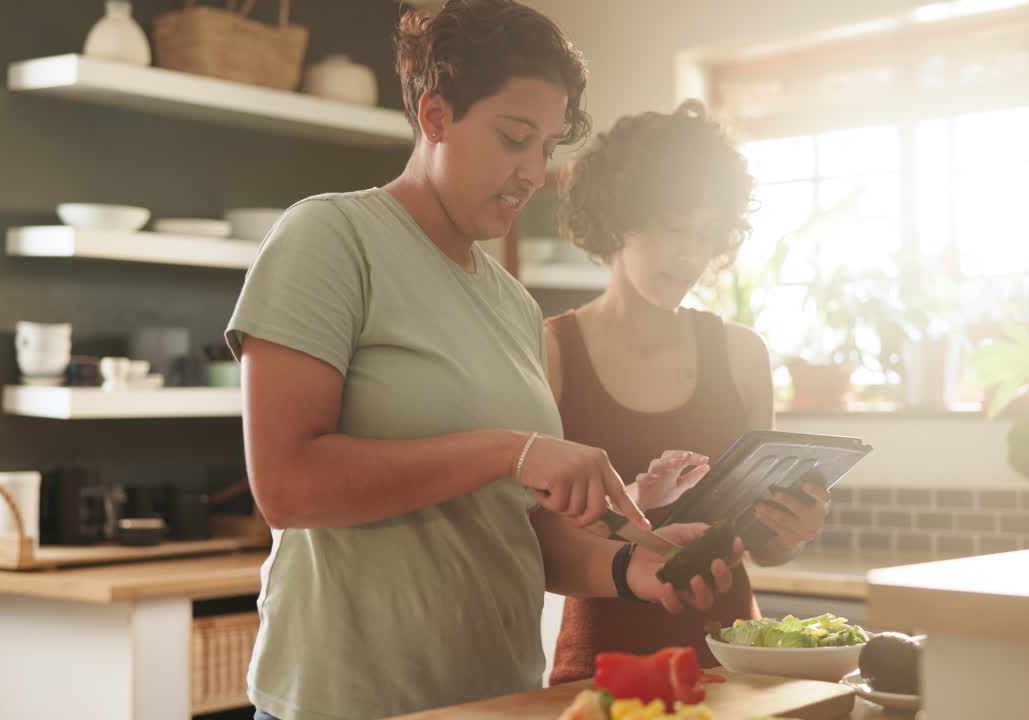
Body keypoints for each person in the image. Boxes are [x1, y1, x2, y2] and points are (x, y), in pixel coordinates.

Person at [225, 4, 745, 720]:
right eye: (513, 138)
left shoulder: (511, 303)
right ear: (435, 116)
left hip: (497, 701)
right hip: (345, 702)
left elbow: (515, 530)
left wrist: (631, 567)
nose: (534, 172)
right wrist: (512, 451)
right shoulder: (330, 238)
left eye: (548, 146)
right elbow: (286, 486)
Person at [545, 100, 833, 685]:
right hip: (601, 666)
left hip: (736, 662)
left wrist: (792, 532)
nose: (691, 255)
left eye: (707, 235)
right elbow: (542, 547)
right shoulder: (551, 353)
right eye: (674, 228)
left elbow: (762, 545)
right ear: (619, 216)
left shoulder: (742, 354)